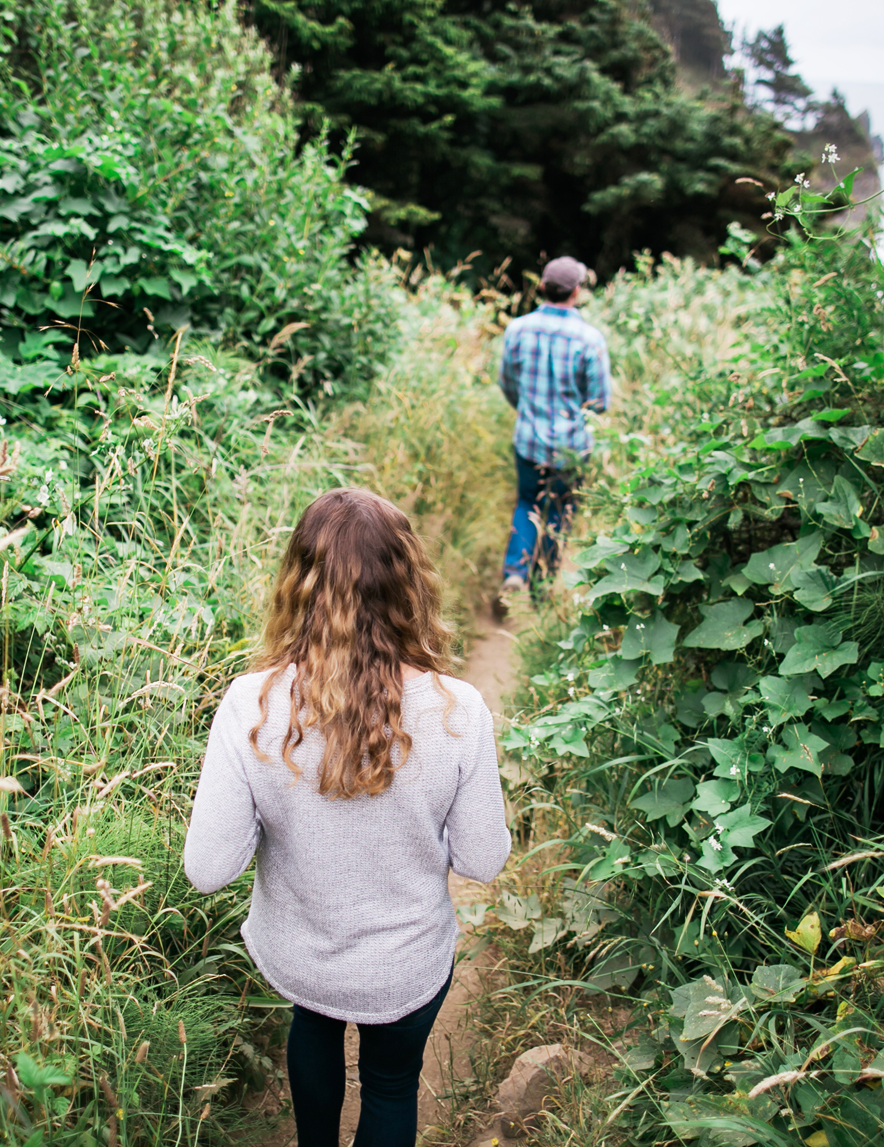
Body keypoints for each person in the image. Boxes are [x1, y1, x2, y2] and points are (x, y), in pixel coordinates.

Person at [183, 487, 512, 1147]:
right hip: (407, 963)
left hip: (304, 953)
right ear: (410, 581)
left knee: (315, 1021)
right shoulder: (458, 708)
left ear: (297, 584)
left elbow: (207, 868)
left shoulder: (251, 704)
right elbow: (483, 859)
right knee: (392, 1084)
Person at [496, 255, 612, 607]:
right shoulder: (590, 339)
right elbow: (599, 402)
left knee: (527, 501)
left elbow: (506, 382)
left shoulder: (518, 328)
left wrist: (527, 410)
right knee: (560, 512)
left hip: (528, 439)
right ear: (576, 291)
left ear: (543, 288)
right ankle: (542, 588)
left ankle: (514, 572)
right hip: (571, 448)